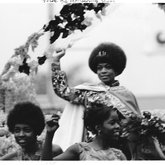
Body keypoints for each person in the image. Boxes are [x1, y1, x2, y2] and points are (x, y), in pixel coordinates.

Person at [51, 42, 141, 151]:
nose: (103, 71)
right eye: (99, 68)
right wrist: (56, 62)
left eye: (108, 67)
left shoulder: (127, 95)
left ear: (116, 70)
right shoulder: (89, 92)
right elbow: (63, 91)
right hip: (94, 149)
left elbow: (136, 124)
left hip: (122, 148)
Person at [42, 104, 127, 160]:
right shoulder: (80, 150)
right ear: (98, 127)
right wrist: (50, 134)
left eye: (118, 122)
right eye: (112, 123)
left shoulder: (119, 155)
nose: (118, 126)